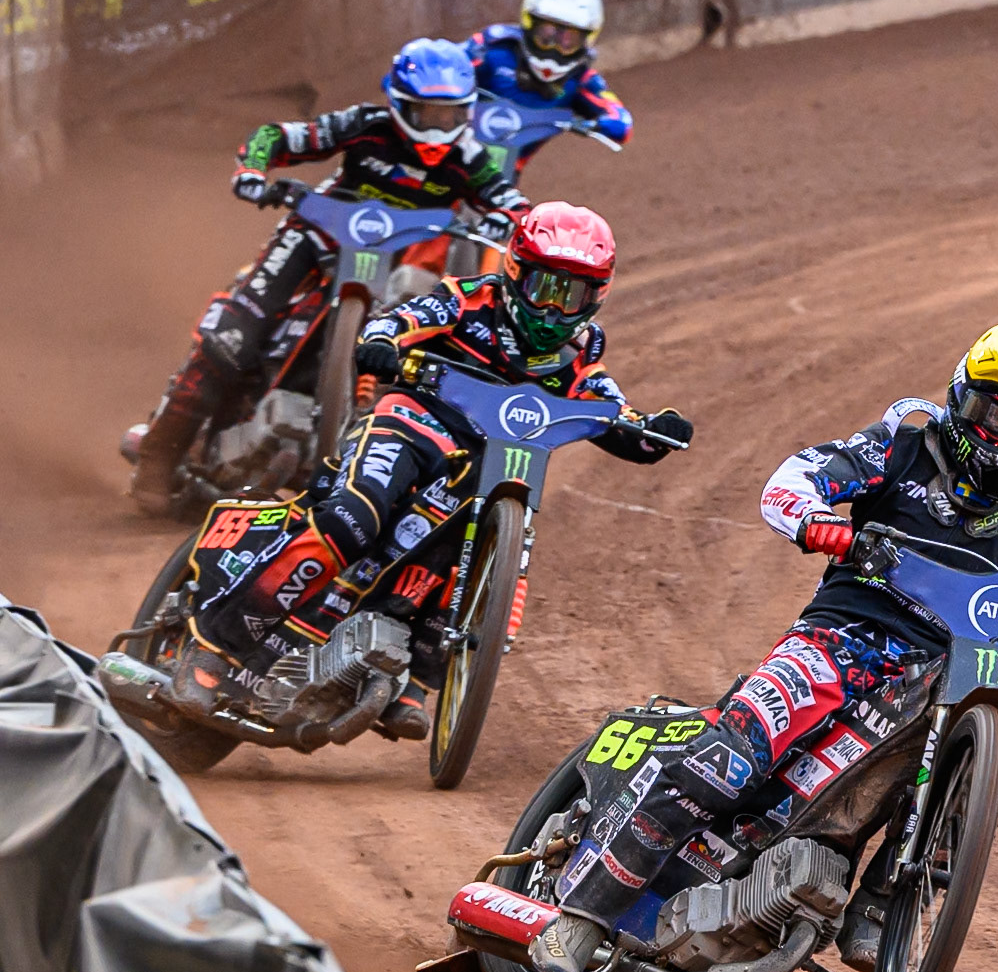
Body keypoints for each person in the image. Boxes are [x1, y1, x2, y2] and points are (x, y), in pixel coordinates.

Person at [531, 324, 998, 972]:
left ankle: (879, 907)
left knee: (985, 750)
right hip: (841, 639)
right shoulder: (904, 446)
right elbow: (793, 481)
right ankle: (578, 919)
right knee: (728, 760)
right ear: (965, 402)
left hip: (940, 674)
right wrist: (817, 521)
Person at [170, 202, 693, 741]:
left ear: (597, 296)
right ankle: (212, 649)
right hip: (409, 427)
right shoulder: (466, 299)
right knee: (354, 518)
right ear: (515, 271)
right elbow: (402, 319)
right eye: (544, 287)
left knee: (482, 555)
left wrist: (653, 428)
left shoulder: (582, 354)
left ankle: (414, 681)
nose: (554, 309)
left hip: (485, 468)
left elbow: (611, 407)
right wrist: (382, 341)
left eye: (573, 295)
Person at [128, 38, 530, 516]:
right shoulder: (364, 126)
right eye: (427, 113)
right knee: (231, 337)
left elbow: (511, 202)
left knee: (426, 344)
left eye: (451, 115)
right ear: (400, 104)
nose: (440, 127)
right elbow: (280, 136)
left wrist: (511, 221)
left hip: (389, 267)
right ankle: (157, 456)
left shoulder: (468, 157)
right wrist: (253, 170)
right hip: (315, 236)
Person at [465, 0, 632, 176]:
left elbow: (621, 120)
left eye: (568, 41)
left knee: (512, 208)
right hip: (441, 147)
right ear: (530, 23)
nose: (554, 47)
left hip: (499, 176)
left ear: (586, 40)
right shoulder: (493, 47)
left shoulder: (581, 79)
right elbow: (442, 63)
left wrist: (598, 124)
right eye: (546, 35)